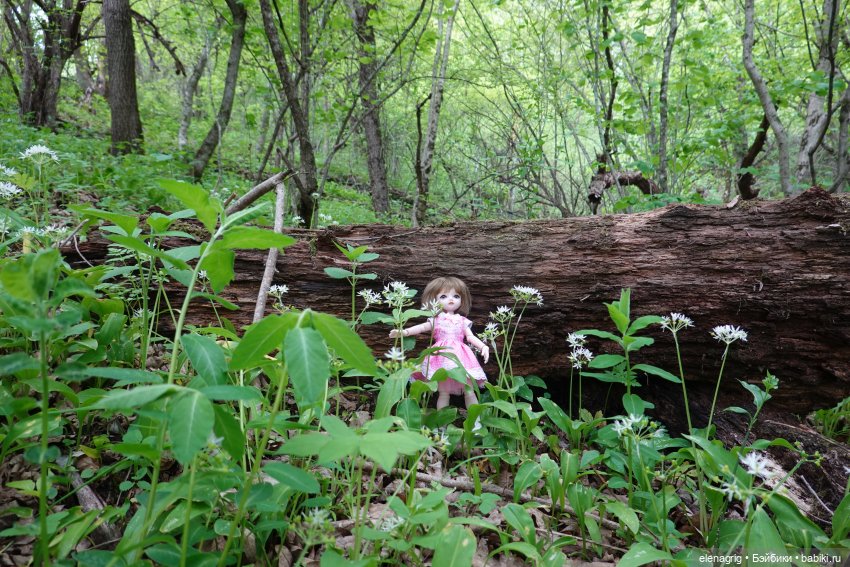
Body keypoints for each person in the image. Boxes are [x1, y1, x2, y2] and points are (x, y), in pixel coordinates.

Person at [389, 277, 490, 420]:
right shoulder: (436, 319)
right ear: (433, 299)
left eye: (456, 296)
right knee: (443, 393)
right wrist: (404, 332)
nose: (451, 300)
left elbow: (470, 337)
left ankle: (476, 421)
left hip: (461, 357)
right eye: (443, 296)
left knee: (469, 390)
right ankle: (441, 424)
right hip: (440, 357)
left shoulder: (462, 320)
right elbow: (422, 327)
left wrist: (483, 346)